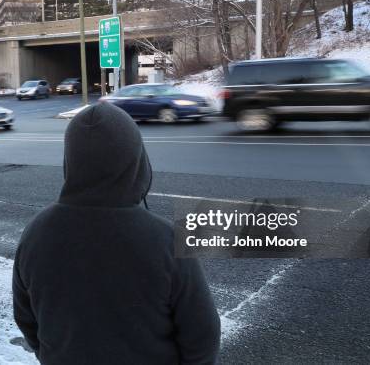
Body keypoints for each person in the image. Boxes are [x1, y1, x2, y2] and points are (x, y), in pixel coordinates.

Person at [13, 102, 220, 365]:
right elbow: (202, 336)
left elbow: (26, 319)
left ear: (71, 161)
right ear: (136, 160)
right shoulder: (165, 240)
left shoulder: (36, 233)